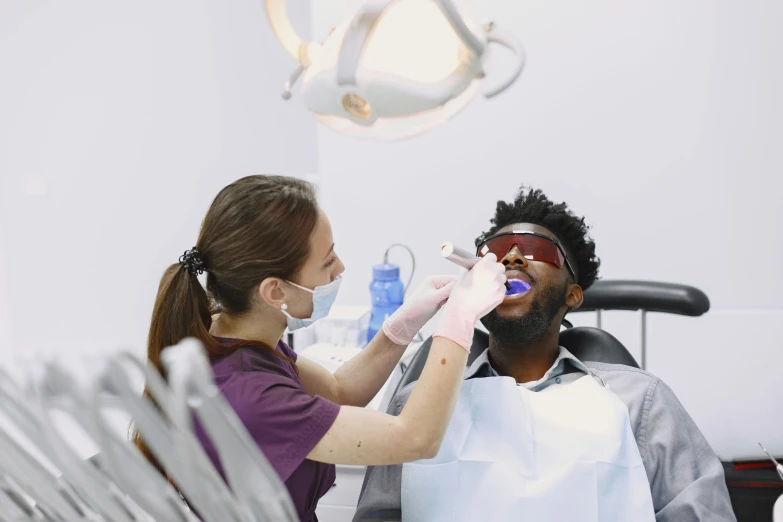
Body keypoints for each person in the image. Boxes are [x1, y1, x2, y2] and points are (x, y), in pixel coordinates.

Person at [132, 175, 508, 522]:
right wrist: (459, 319)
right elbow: (416, 438)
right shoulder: (250, 397)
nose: (340, 267)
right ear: (274, 291)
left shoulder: (233, 336)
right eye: (327, 261)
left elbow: (338, 391)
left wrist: (402, 324)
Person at [353, 186, 736, 522]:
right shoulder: (415, 404)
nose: (512, 258)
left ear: (573, 294)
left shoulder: (642, 405)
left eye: (537, 250)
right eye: (495, 251)